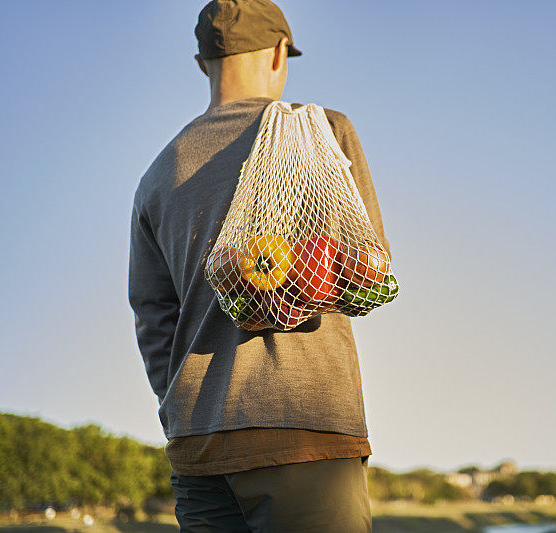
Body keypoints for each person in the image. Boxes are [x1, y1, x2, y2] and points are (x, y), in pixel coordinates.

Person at [127, 1, 390, 531]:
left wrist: (182, 401)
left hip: (196, 444)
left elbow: (152, 315)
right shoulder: (319, 134)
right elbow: (368, 272)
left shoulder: (158, 174)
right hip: (301, 430)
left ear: (203, 62)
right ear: (277, 53)